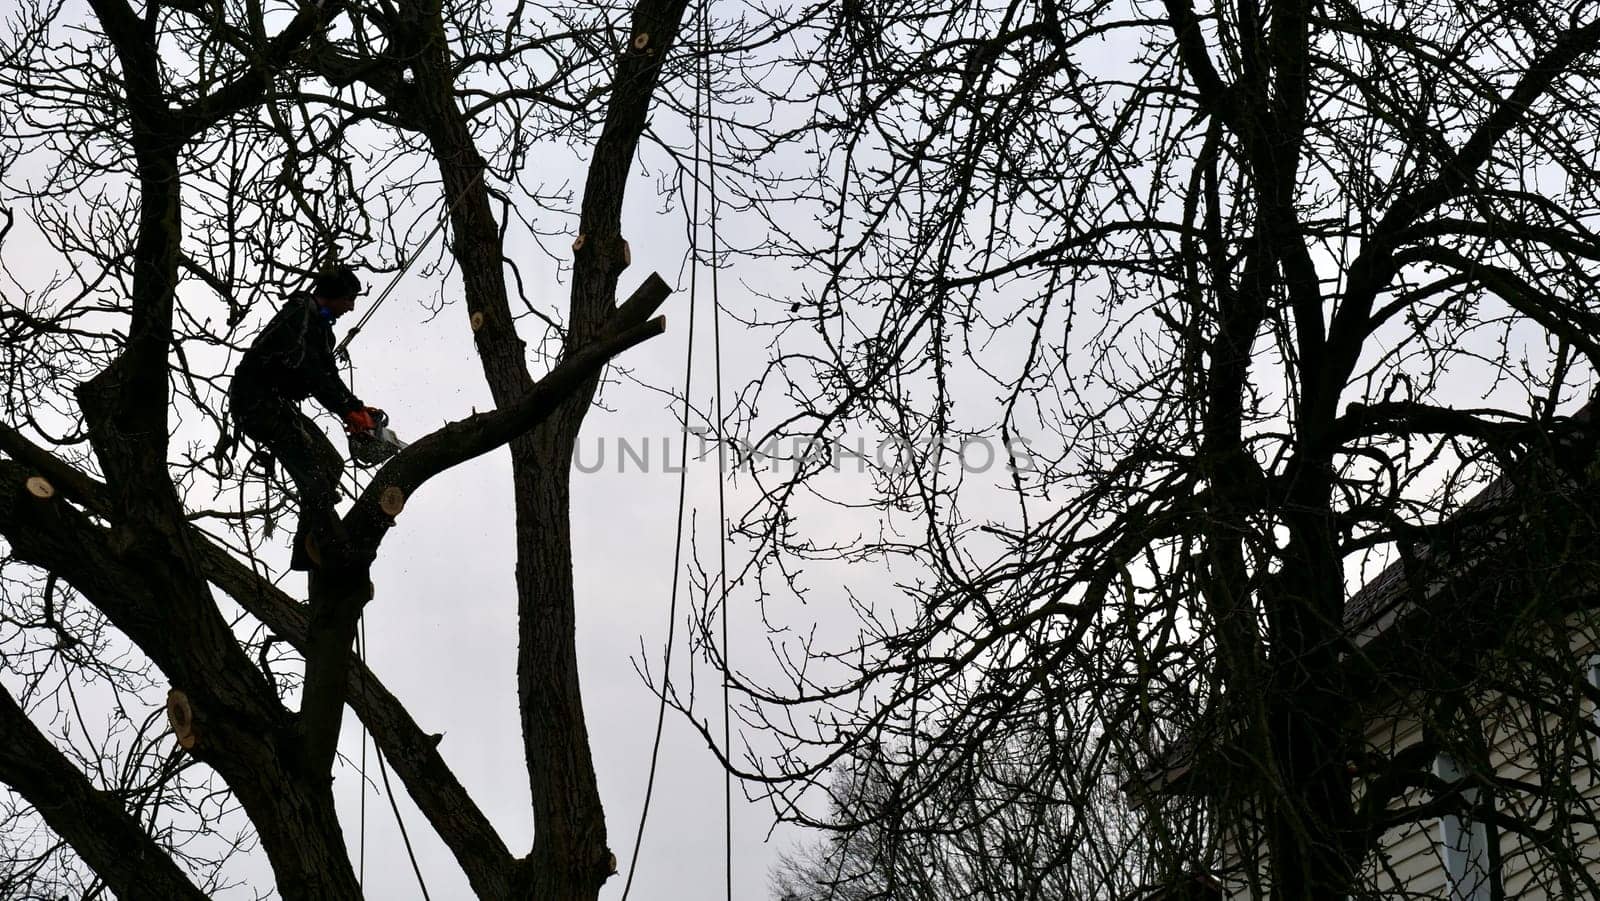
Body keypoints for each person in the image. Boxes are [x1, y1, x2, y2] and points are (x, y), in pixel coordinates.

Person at [230, 266, 384, 570]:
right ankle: (332, 545)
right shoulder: (298, 316)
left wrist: (356, 407)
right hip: (256, 403)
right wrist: (347, 409)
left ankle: (305, 547)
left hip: (276, 404)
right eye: (349, 299)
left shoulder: (321, 329)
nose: (351, 307)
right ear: (334, 296)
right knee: (313, 474)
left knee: (331, 464)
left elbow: (327, 374)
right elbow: (313, 374)